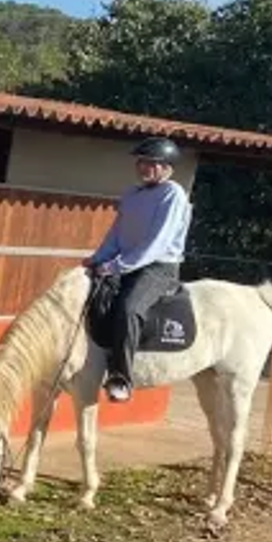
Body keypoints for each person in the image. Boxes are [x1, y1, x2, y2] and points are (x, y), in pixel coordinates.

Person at [84, 136, 190, 403]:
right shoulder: (132, 194)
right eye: (141, 162)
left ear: (167, 167)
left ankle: (121, 377)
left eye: (151, 163)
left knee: (129, 308)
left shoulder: (172, 194)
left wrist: (118, 266)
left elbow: (158, 242)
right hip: (128, 263)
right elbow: (117, 234)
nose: (144, 167)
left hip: (158, 268)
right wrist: (98, 259)